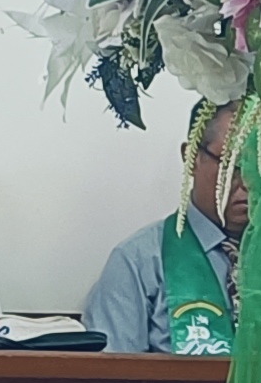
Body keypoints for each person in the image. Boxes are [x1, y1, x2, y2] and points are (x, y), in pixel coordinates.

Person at [82, 99, 248, 354]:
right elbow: (114, 373)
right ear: (191, 157)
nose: (248, 182)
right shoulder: (138, 261)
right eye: (234, 165)